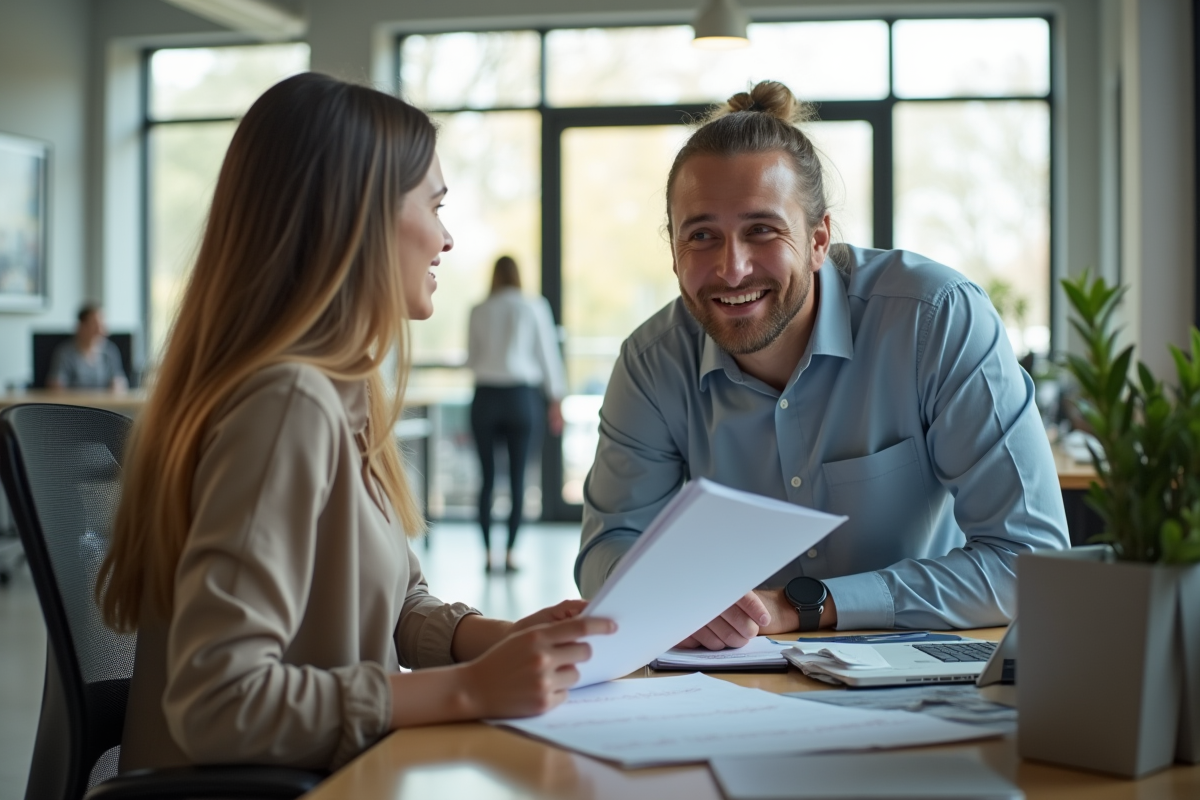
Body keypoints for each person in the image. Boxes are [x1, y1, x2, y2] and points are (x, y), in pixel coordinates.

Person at [96, 73, 612, 773]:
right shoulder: (287, 404)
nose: (447, 238)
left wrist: (495, 640)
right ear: (358, 218)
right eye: (435, 205)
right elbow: (217, 702)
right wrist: (467, 689)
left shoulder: (343, 393)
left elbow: (394, 604)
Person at [574, 80, 1069, 648]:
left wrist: (804, 606)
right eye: (702, 235)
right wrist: (674, 599)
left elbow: (1031, 562)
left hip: (918, 669)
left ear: (818, 239)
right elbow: (608, 549)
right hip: (734, 676)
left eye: (761, 230)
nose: (732, 269)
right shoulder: (651, 363)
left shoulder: (936, 320)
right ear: (673, 250)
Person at [466, 255, 566, 573]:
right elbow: (547, 355)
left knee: (487, 479)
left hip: (485, 396)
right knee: (519, 478)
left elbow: (471, 358)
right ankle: (509, 554)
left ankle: (486, 555)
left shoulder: (478, 309)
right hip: (522, 398)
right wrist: (556, 400)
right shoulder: (533, 306)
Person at [46, 304, 129, 390]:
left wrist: (118, 385)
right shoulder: (65, 352)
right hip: (74, 399)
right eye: (95, 325)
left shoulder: (110, 351)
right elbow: (56, 385)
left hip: (102, 399)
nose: (100, 331)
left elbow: (120, 382)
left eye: (103, 325)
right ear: (81, 326)